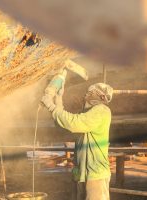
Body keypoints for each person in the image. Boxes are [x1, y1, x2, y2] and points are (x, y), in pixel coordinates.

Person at [42, 71, 113, 200]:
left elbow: (75, 123)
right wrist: (58, 100)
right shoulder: (87, 113)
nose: (87, 94)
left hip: (95, 175)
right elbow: (65, 125)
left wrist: (52, 107)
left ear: (101, 97)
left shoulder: (102, 111)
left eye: (91, 92)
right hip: (81, 174)